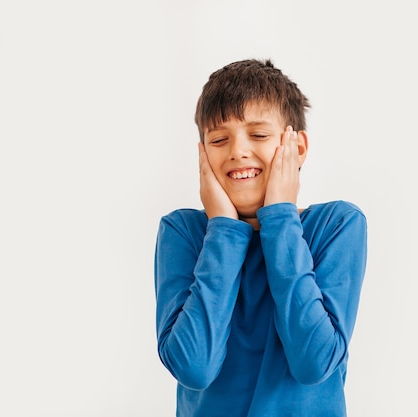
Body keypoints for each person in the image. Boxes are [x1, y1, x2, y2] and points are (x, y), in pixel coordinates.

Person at [154, 58, 367, 417]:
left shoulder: (337, 225)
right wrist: (222, 227)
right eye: (219, 139)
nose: (238, 151)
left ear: (297, 147)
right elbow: (194, 367)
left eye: (259, 135)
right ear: (202, 153)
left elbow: (313, 363)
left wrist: (281, 216)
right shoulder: (184, 233)